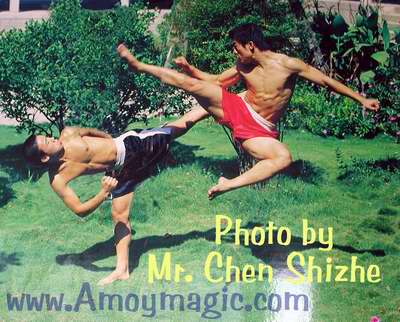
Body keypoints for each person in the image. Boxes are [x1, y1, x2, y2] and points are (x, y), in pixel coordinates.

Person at [116, 23, 380, 200]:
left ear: (251, 46)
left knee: (283, 157)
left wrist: (361, 99)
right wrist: (189, 69)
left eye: (236, 46)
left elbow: (326, 80)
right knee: (192, 85)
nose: (234, 51)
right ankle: (139, 65)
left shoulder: (288, 65)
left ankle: (228, 183)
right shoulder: (242, 66)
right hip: (238, 108)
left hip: (260, 129)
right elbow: (216, 81)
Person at [22, 112, 206, 286]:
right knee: (119, 216)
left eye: (49, 137)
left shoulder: (68, 134)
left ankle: (218, 104)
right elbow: (79, 210)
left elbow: (90, 131)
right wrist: (103, 193)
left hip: (132, 146)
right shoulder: (58, 180)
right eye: (48, 141)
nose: (53, 138)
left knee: (176, 129)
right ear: (45, 157)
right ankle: (122, 270)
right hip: (120, 169)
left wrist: (109, 139)